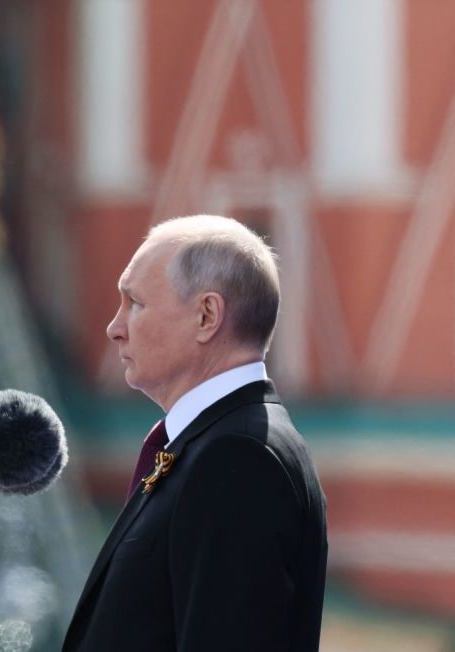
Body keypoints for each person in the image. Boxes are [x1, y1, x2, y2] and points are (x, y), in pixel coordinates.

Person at [64, 215, 327, 652]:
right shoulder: (211, 445)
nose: (115, 327)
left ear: (207, 315)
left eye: (135, 303)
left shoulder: (239, 459)